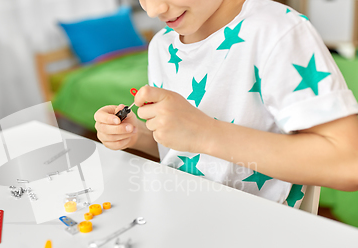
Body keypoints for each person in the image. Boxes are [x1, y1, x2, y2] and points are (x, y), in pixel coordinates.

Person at [94, 0, 358, 208]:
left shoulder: (276, 30)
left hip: (257, 233)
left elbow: (348, 163)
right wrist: (136, 134)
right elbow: (187, 154)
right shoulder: (161, 46)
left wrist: (205, 132)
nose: (153, 9)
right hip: (179, 215)